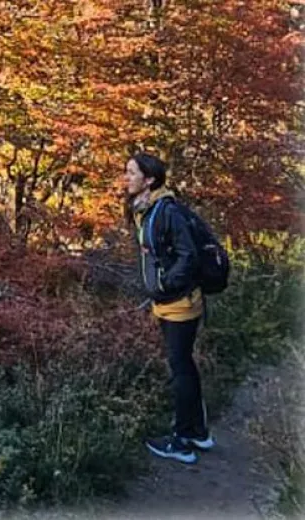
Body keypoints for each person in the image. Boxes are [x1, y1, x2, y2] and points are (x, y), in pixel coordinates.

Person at [123, 152, 215, 464]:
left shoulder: (167, 211)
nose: (127, 178)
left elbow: (187, 256)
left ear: (149, 179)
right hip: (169, 303)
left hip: (180, 304)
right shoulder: (144, 209)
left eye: (132, 173)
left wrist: (164, 287)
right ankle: (198, 433)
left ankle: (181, 442)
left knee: (180, 369)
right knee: (184, 365)